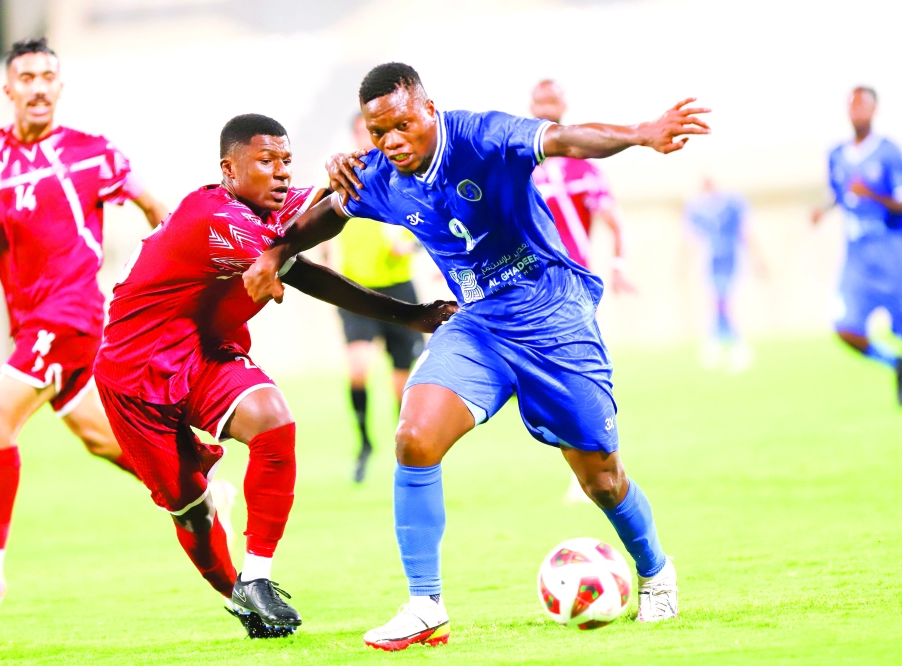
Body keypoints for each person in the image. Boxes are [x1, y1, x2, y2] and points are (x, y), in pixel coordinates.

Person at [244, 62, 710, 650]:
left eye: (403, 125)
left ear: (429, 109)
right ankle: (424, 605)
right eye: (377, 131)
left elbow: (561, 139)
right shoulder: (382, 173)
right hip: (479, 326)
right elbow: (324, 218)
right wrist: (278, 248)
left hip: (552, 316)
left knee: (601, 480)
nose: (391, 142)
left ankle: (654, 569)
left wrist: (642, 132)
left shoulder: (480, 136)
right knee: (414, 436)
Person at [93, 113, 455, 638]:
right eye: (267, 162)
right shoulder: (215, 217)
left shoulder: (264, 201)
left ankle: (257, 576)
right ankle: (239, 597)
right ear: (229, 169)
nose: (282, 172)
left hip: (205, 351)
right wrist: (411, 313)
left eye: (286, 161)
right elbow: (308, 271)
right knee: (192, 509)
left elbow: (328, 208)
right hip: (134, 373)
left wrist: (366, 167)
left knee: (273, 420)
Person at [0, 37, 172, 604]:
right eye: (26, 77)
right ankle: (198, 489)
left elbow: (156, 207)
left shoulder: (92, 152)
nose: (38, 86)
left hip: (70, 314)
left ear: (60, 86)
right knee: (102, 439)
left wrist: (158, 278)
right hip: (32, 323)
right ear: (9, 90)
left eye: (48, 76)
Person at [332, 113, 425, 482]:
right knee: (358, 368)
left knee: (402, 384)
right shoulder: (343, 176)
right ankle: (364, 443)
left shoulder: (405, 173)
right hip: (356, 290)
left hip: (399, 289)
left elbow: (427, 224)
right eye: (367, 132)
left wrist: (410, 244)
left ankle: (407, 452)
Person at [813, 86, 902, 404]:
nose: (856, 111)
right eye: (852, 105)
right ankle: (895, 363)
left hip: (890, 251)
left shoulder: (889, 153)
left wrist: (873, 196)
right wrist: (822, 211)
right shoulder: (836, 154)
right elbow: (839, 193)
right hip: (856, 255)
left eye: (862, 105)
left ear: (874, 110)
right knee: (845, 329)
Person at [529, 79, 635, 293]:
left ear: (563, 106)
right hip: (528, 284)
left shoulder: (584, 171)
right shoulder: (518, 168)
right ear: (531, 107)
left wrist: (618, 267)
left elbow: (616, 224)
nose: (546, 108)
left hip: (575, 281)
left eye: (552, 101)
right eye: (541, 102)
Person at [684, 177, 762, 372]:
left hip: (732, 259)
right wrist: (684, 265)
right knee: (716, 301)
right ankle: (719, 343)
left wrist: (758, 259)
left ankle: (734, 345)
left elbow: (746, 232)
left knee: (727, 301)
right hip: (711, 261)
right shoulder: (697, 208)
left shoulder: (733, 204)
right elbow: (691, 239)